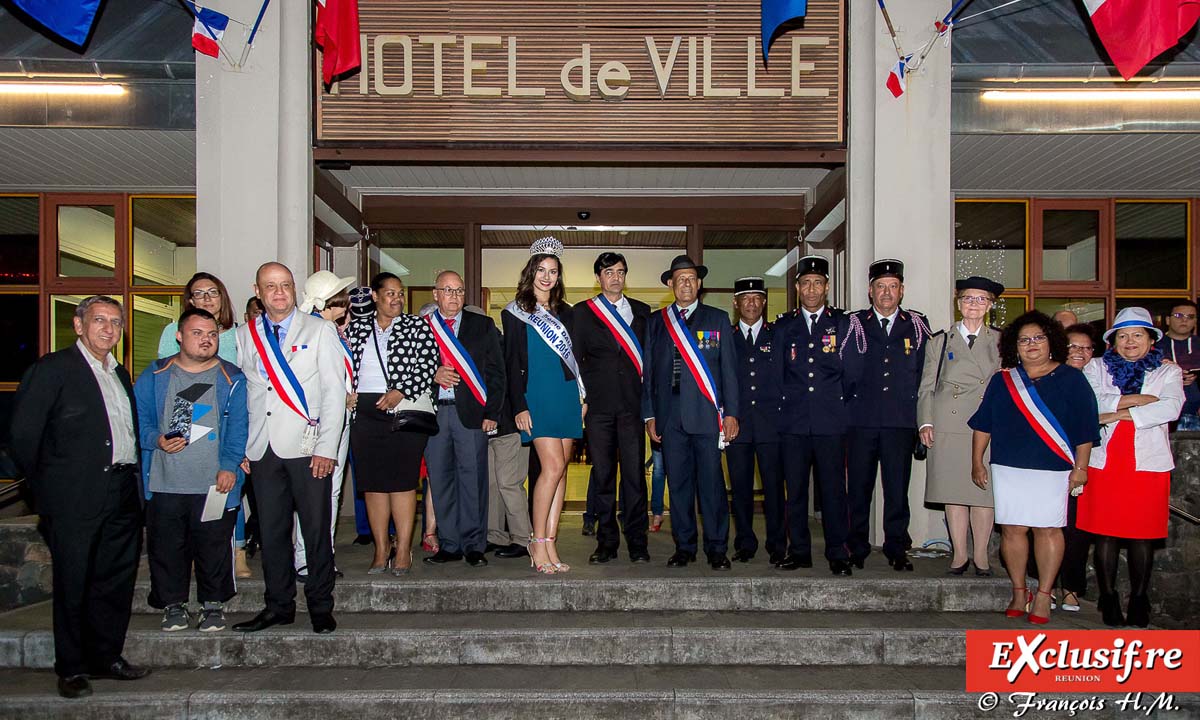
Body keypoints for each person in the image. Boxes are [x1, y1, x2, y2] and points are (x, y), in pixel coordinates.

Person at [11, 295, 151, 698]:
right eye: (99, 320)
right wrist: (47, 490)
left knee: (114, 581)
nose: (109, 329)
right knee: (74, 581)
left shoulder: (120, 374)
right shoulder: (54, 370)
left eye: (115, 322)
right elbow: (23, 436)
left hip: (122, 491)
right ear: (78, 325)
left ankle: (105, 657)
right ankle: (71, 667)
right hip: (73, 497)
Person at [232, 262, 347, 635]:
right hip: (263, 450)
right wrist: (243, 448)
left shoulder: (319, 329)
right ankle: (278, 605)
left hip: (308, 446)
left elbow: (333, 392)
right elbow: (245, 394)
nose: (279, 293)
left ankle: (320, 605)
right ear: (258, 290)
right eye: (270, 286)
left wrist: (327, 447)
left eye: (285, 285)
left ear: (294, 289)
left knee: (315, 531)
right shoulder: (246, 335)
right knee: (272, 532)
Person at [968, 311, 1099, 625]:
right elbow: (983, 424)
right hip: (1009, 466)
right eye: (1024, 339)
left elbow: (1085, 428)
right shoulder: (1003, 380)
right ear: (1015, 345)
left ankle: (1043, 593)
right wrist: (977, 461)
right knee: (1013, 529)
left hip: (1052, 467)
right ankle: (1018, 590)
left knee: (1048, 529)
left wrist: (1081, 468)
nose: (1031, 344)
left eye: (1038, 338)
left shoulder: (1071, 378)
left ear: (1051, 340)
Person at [134, 307, 248, 634]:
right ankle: (173, 605)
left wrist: (229, 466)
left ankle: (212, 605)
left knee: (213, 545)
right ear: (179, 336)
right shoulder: (155, 375)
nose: (206, 340)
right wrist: (155, 439)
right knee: (168, 547)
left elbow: (239, 427)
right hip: (165, 480)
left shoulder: (232, 377)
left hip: (213, 482)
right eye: (197, 333)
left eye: (212, 334)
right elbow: (138, 421)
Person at [1080, 307, 1183, 627]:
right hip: (1105, 461)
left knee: (1143, 535)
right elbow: (1091, 403)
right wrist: (1141, 400)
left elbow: (1171, 406)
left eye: (1138, 335)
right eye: (1122, 336)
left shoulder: (1169, 372)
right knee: (1106, 535)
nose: (1130, 342)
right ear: (1113, 341)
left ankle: (1140, 597)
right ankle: (1108, 597)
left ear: (1151, 339)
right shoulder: (1095, 366)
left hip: (1147, 463)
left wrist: (1115, 411)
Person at [642, 254, 740, 570]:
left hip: (707, 417)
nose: (686, 283)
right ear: (671, 284)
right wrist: (649, 415)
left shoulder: (718, 319)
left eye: (692, 278)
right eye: (680, 278)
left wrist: (732, 414)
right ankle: (684, 546)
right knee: (679, 486)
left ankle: (716, 548)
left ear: (699, 284)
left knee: (711, 486)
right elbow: (649, 373)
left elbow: (729, 372)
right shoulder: (657, 322)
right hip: (669, 418)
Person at [344, 272, 439, 575]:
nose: (397, 299)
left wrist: (401, 391)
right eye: (390, 293)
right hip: (365, 414)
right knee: (373, 485)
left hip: (402, 411)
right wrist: (346, 393)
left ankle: (403, 551)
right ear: (375, 296)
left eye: (400, 294)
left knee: (401, 483)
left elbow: (428, 364)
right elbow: (342, 365)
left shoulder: (416, 326)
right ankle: (381, 548)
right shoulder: (355, 329)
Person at [842, 259, 931, 571]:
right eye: (880, 287)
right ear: (870, 291)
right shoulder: (854, 324)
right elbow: (843, 374)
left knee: (897, 490)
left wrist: (921, 422)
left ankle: (896, 546)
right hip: (861, 422)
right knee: (859, 490)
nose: (886, 293)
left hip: (899, 422)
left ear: (902, 290)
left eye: (893, 287)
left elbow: (924, 377)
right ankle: (857, 546)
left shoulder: (917, 325)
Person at [503, 237, 585, 573]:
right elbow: (510, 364)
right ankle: (535, 542)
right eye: (541, 270)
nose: (547, 277)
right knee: (550, 468)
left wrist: (583, 397)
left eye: (552, 271)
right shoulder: (515, 311)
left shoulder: (567, 312)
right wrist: (519, 406)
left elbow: (575, 359)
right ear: (531, 272)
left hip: (566, 395)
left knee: (562, 468)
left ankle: (551, 543)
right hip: (536, 397)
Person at [771, 255, 853, 575]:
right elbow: (777, 374)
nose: (812, 289)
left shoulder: (842, 324)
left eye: (818, 283)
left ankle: (837, 552)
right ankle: (800, 550)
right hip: (793, 423)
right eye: (806, 283)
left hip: (830, 422)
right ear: (796, 288)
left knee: (833, 491)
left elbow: (852, 373)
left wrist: (842, 411)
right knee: (796, 493)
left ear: (827, 287)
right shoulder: (784, 326)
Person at [918, 276, 1004, 576]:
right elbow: (927, 386)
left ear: (991, 305)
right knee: (954, 492)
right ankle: (959, 554)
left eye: (982, 299)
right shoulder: (940, 341)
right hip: (949, 422)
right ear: (958, 303)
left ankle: (981, 556)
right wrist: (925, 422)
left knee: (984, 494)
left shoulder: (1001, 340)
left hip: (988, 422)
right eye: (968, 299)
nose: (974, 305)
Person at [573, 251, 652, 564]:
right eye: (608, 272)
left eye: (620, 272)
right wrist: (580, 401)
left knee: (634, 477)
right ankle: (606, 543)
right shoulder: (582, 313)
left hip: (633, 406)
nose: (615, 277)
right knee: (603, 476)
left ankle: (637, 542)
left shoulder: (643, 312)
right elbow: (575, 361)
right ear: (598, 278)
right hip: (599, 408)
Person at [425, 270, 506, 568]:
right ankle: (448, 544)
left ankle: (474, 545)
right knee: (441, 479)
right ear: (436, 295)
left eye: (459, 291)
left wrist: (492, 413)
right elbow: (412, 370)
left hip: (471, 416)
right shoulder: (423, 327)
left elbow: (497, 372)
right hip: (434, 414)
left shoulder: (482, 325)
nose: (454, 296)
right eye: (447, 291)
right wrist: (433, 375)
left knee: (473, 480)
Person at [293, 271, 356, 581]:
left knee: (324, 493)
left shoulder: (325, 328)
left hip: (334, 420)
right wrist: (341, 398)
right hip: (322, 423)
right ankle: (312, 559)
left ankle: (315, 556)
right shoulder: (321, 330)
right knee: (322, 492)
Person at [726, 276, 785, 565]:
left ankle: (777, 543)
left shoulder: (778, 335)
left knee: (774, 488)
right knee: (740, 490)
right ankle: (745, 542)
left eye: (757, 298)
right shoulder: (728, 336)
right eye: (745, 298)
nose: (751, 302)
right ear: (736, 304)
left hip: (771, 425)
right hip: (737, 426)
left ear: (764, 302)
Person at [1057, 322, 1102, 612]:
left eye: (1086, 348)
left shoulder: (1102, 377)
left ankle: (1072, 588)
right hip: (1052, 460)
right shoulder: (1050, 376)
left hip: (1088, 463)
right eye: (1073, 346)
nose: (1080, 352)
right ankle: (1043, 584)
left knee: (1077, 528)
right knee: (1046, 524)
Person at [157, 272, 239, 363]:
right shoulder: (173, 330)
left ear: (221, 297)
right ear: (192, 301)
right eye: (199, 293)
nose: (207, 298)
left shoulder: (239, 333)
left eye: (213, 292)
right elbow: (166, 368)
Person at [1156, 299, 1200, 430]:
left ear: (1196, 321)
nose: (1184, 320)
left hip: (1196, 415)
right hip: (1163, 418)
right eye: (1178, 316)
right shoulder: (1154, 346)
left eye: (1190, 317)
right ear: (1168, 320)